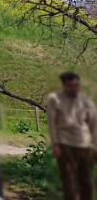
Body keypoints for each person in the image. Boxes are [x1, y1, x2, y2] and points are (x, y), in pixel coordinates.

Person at [47, 72, 97, 200]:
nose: (74, 88)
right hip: (65, 145)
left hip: (85, 145)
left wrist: (95, 145)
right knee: (70, 183)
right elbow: (52, 123)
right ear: (64, 85)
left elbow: (94, 123)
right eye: (71, 86)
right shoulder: (55, 99)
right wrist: (55, 144)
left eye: (76, 85)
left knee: (87, 183)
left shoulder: (85, 100)